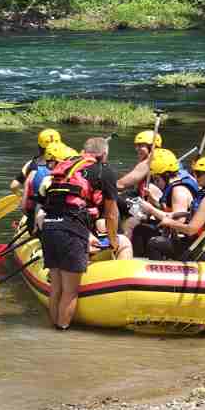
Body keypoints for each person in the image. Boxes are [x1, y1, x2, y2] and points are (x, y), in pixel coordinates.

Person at [36, 137, 122, 329]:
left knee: (56, 287)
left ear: (84, 151)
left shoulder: (67, 166)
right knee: (70, 291)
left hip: (49, 227)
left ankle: (52, 329)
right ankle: (61, 334)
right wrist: (113, 240)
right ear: (104, 154)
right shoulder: (104, 170)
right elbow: (111, 213)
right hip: (70, 231)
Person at [134, 155, 205, 263]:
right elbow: (204, 216)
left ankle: (157, 274)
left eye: (199, 174)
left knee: (155, 243)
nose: (196, 177)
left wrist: (169, 222)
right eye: (195, 173)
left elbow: (191, 230)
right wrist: (177, 214)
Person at [121, 148, 194, 257]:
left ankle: (144, 263)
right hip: (173, 233)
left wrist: (150, 209)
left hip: (182, 241)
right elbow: (170, 212)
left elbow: (179, 222)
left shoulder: (179, 191)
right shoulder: (175, 183)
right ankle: (134, 258)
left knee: (146, 235)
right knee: (140, 228)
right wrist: (154, 201)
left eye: (156, 179)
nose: (156, 183)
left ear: (165, 175)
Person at [115, 129, 162, 195]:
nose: (136, 149)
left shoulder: (148, 163)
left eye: (140, 145)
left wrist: (103, 186)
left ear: (151, 147)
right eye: (136, 145)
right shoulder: (158, 159)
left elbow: (121, 184)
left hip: (145, 201)